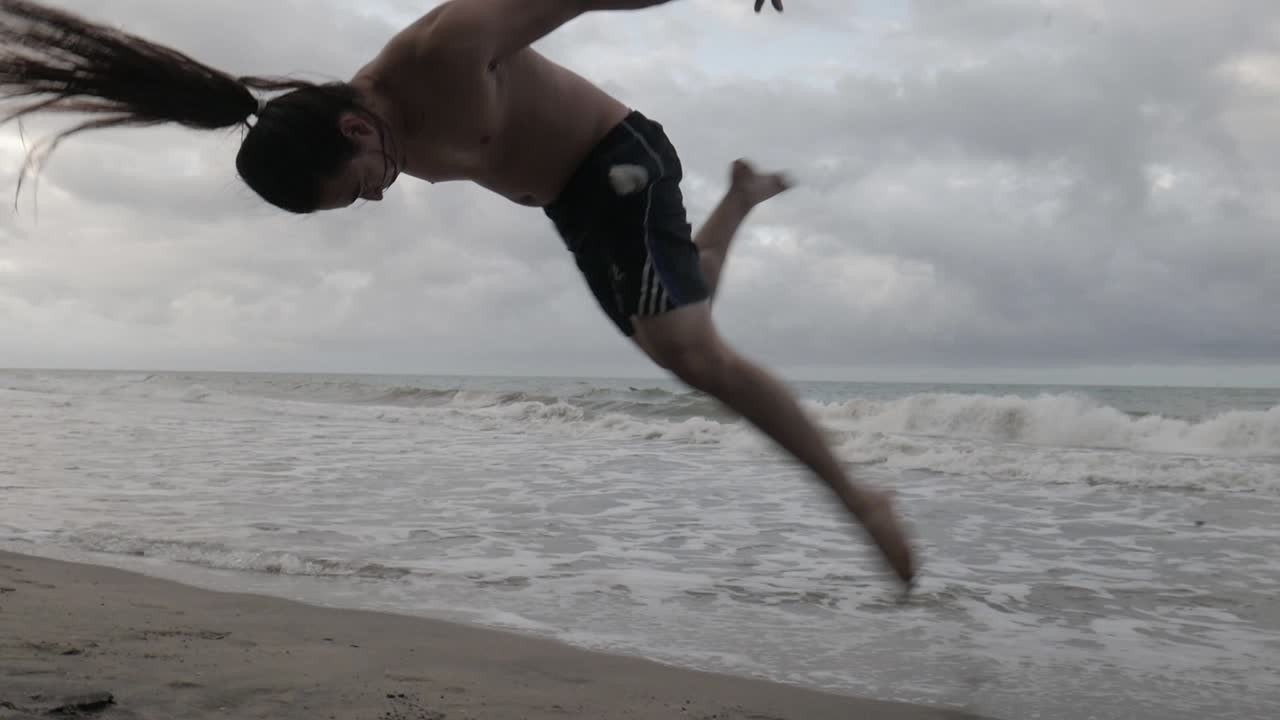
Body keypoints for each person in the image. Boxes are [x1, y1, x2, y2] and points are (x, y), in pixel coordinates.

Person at [0, 0, 916, 585]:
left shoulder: (445, 48)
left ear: (359, 127)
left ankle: (859, 500)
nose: (373, 196)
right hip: (572, 202)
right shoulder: (356, 126)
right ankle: (743, 197)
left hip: (620, 158)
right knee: (681, 320)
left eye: (357, 183)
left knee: (686, 351)